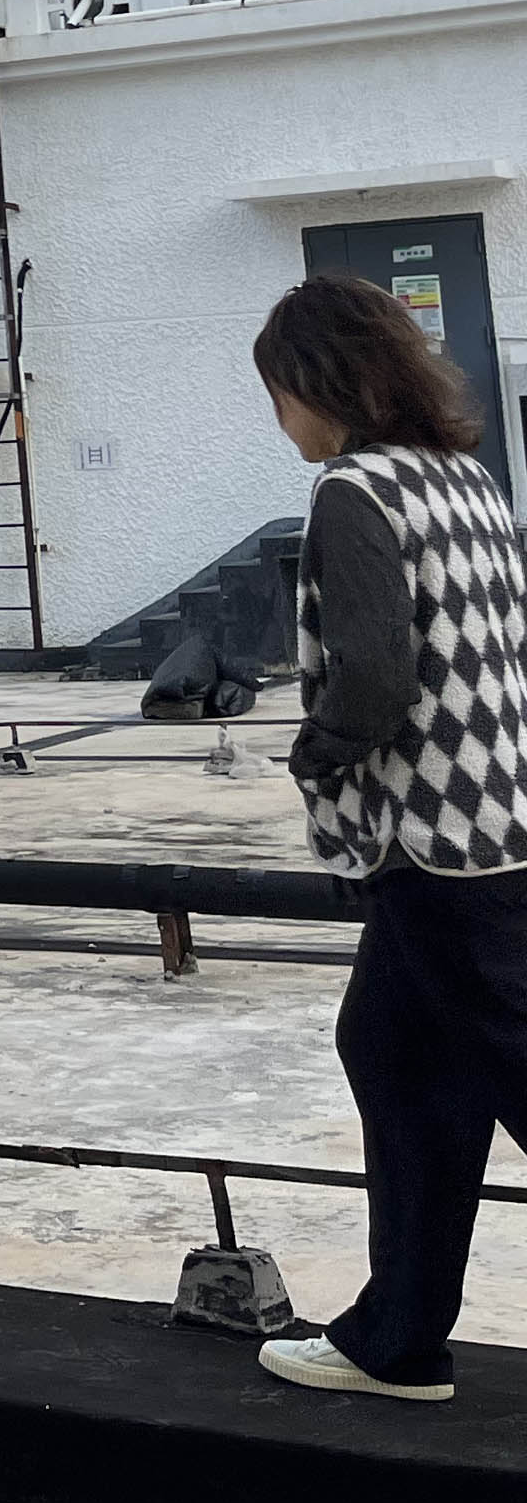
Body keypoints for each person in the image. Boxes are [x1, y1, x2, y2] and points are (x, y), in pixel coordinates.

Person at [250, 276, 527, 1405]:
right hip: (502, 821)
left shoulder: (353, 492)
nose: (281, 423)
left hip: (430, 842)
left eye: (279, 396)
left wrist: (314, 754)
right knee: (394, 1054)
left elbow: (371, 678)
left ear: (319, 385)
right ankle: (397, 1340)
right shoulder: (468, 480)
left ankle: (398, 1338)